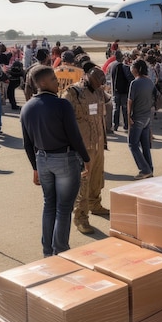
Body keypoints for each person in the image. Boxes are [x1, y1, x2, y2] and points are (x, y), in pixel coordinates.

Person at [20, 66, 91, 256]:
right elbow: (75, 136)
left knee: (49, 205)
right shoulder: (61, 105)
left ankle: (47, 251)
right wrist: (86, 158)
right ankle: (60, 250)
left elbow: (27, 144)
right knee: (63, 208)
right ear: (42, 83)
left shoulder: (27, 107)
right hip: (65, 160)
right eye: (53, 79)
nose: (57, 81)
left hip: (42, 160)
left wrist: (35, 168)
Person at [63, 63, 111, 234]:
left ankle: (95, 204)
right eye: (98, 81)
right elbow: (63, 119)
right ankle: (81, 217)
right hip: (82, 147)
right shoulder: (73, 92)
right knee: (83, 184)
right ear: (88, 76)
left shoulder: (99, 91)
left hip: (97, 143)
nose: (100, 84)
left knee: (97, 179)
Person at [127, 59, 155, 179]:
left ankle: (145, 169)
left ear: (137, 69)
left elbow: (129, 102)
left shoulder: (135, 83)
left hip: (137, 117)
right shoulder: (149, 82)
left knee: (133, 144)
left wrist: (128, 117)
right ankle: (149, 168)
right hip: (147, 117)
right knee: (145, 145)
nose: (131, 69)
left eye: (132, 67)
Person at [108, 51, 132, 131]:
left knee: (116, 108)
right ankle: (126, 125)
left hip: (115, 90)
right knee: (125, 109)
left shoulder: (111, 65)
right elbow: (129, 78)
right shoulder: (124, 66)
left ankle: (115, 125)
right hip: (123, 91)